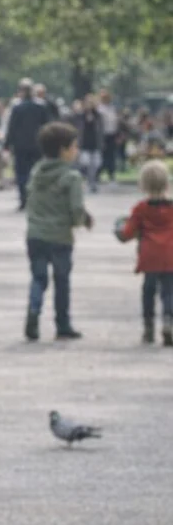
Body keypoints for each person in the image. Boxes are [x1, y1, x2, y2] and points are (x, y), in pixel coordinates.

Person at [24, 121, 93, 341]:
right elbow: (76, 208)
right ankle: (62, 324)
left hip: (35, 235)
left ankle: (33, 315)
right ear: (64, 150)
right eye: (74, 146)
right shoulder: (72, 177)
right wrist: (80, 221)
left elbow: (30, 198)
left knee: (38, 278)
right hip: (61, 237)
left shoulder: (36, 172)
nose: (77, 151)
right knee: (61, 280)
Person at [115, 160, 173, 345]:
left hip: (149, 256)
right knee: (169, 292)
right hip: (170, 255)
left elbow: (128, 233)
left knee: (148, 291)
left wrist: (119, 230)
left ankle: (148, 328)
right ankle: (168, 321)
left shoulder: (141, 209)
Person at [2, 79, 50, 211]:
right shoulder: (41, 106)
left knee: (22, 173)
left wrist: (7, 144)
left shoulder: (17, 107)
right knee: (37, 172)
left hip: (21, 145)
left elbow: (12, 127)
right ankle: (37, 199)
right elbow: (46, 126)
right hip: (37, 145)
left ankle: (24, 199)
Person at [77, 95, 104, 193]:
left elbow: (101, 130)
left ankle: (93, 182)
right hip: (84, 143)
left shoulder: (98, 115)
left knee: (95, 164)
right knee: (85, 163)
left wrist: (101, 142)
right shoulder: (81, 115)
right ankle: (90, 180)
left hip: (95, 143)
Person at [97, 88, 119, 181]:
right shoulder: (99, 109)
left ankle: (111, 173)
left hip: (112, 134)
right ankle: (98, 173)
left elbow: (116, 121)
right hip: (103, 135)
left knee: (111, 155)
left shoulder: (112, 108)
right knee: (102, 155)